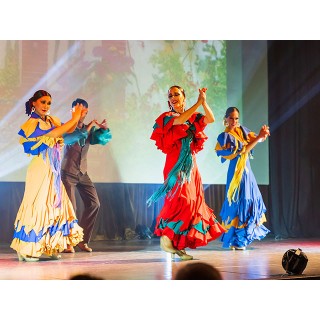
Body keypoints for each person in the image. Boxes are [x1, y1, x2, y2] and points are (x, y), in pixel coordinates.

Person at [147, 85, 225, 260]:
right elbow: (181, 120)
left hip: (191, 166)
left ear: (183, 97)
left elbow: (211, 119)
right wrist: (197, 103)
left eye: (177, 94)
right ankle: (167, 238)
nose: (173, 97)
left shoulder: (194, 118)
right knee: (180, 200)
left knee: (193, 203)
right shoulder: (167, 117)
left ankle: (178, 245)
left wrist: (203, 102)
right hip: (175, 165)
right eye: (170, 95)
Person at [10, 90, 85, 262]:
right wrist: (74, 118)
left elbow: (67, 131)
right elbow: (53, 134)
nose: (46, 106)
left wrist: (76, 118)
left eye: (49, 103)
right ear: (34, 103)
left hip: (54, 170)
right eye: (43, 102)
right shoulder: (32, 123)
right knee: (38, 205)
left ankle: (48, 245)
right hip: (40, 169)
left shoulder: (51, 120)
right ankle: (27, 248)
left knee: (54, 205)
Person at [215, 106, 270, 250]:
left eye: (236, 118)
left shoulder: (243, 131)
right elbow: (243, 151)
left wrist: (262, 135)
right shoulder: (224, 136)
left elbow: (258, 140)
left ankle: (241, 239)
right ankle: (235, 239)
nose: (234, 121)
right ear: (226, 119)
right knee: (237, 202)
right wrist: (258, 137)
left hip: (247, 172)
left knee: (249, 201)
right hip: (235, 174)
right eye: (231, 118)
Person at [61, 98, 112, 253]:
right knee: (71, 208)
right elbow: (70, 137)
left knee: (94, 203)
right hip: (68, 172)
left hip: (82, 172)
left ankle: (81, 240)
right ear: (72, 111)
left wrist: (103, 129)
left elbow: (100, 139)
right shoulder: (67, 127)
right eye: (79, 110)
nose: (82, 114)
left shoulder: (88, 129)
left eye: (85, 111)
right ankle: (68, 243)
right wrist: (88, 127)